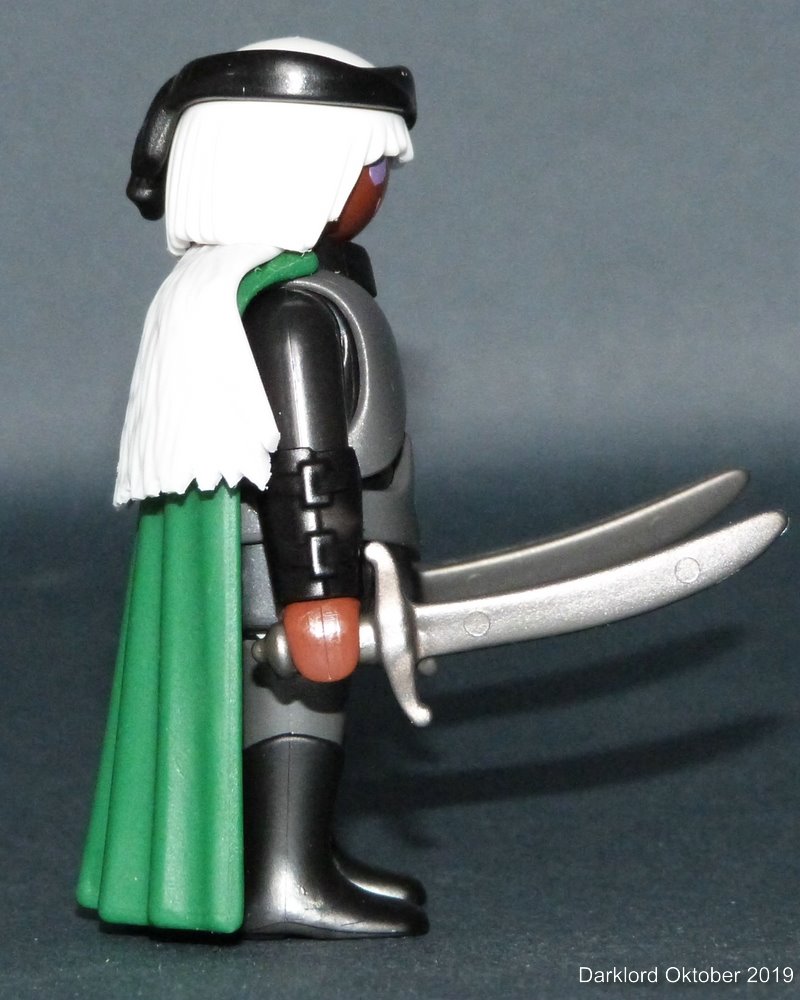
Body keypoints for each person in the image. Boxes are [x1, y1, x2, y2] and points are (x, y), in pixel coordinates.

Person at [77, 37, 427, 939]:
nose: (382, 188)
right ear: (302, 168)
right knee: (295, 706)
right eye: (373, 169)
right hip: (288, 570)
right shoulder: (293, 312)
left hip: (310, 559)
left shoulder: (276, 291)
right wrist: (319, 594)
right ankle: (286, 878)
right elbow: (307, 464)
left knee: (307, 710)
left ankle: (301, 860)